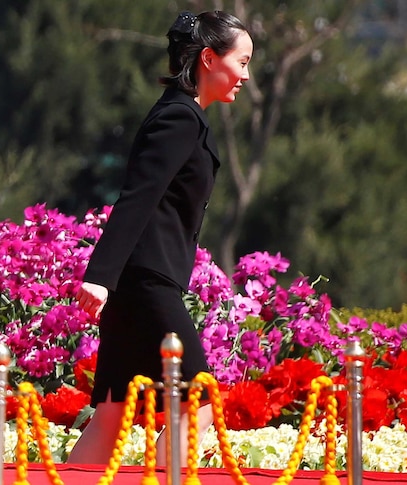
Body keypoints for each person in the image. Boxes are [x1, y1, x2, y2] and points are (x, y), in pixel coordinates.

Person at [68, 10, 253, 465]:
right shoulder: (180, 118)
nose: (246, 75)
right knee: (201, 402)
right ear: (209, 58)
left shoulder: (182, 114)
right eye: (242, 61)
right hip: (146, 282)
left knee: (112, 409)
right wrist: (100, 276)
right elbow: (137, 197)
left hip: (141, 280)